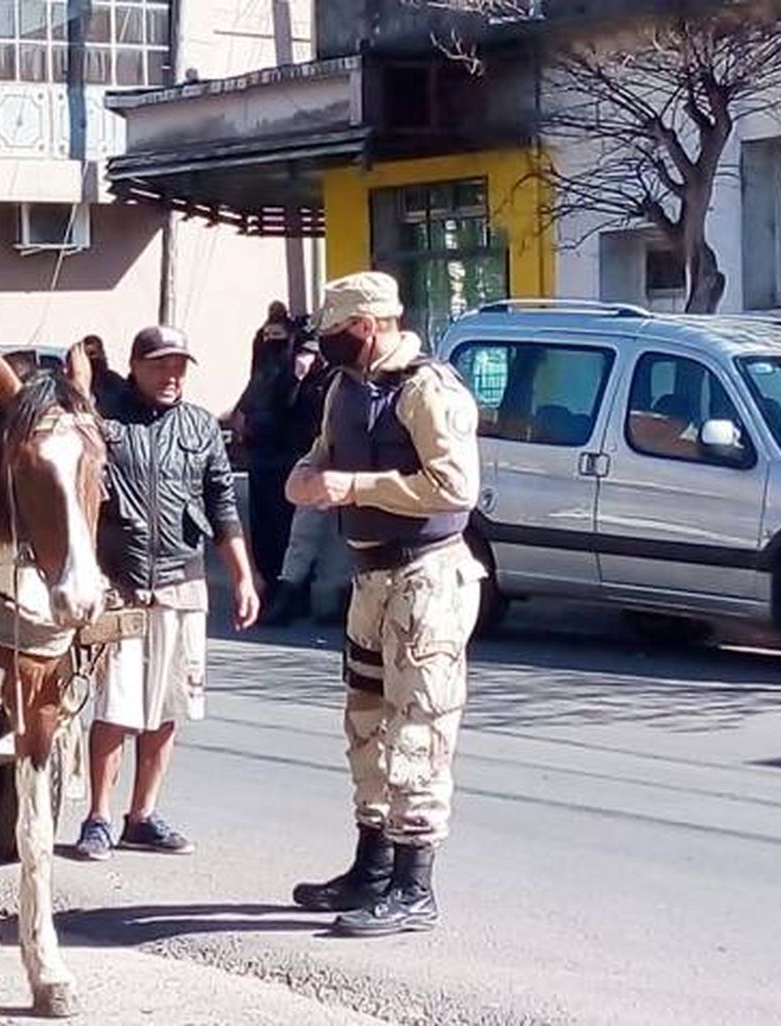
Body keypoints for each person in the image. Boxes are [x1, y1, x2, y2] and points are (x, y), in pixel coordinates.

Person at [285, 271, 485, 936]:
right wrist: (307, 478)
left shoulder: (428, 389)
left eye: (338, 333)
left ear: (368, 327)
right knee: (366, 723)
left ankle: (412, 887)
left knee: (418, 727)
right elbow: (318, 457)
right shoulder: (345, 388)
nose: (329, 344)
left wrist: (356, 485)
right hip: (369, 578)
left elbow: (455, 486)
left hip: (428, 578)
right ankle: (370, 867)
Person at [73, 326, 260, 860]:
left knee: (169, 705)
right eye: (160, 364)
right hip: (121, 587)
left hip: (183, 584)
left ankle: (143, 814)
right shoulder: (105, 425)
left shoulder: (200, 427)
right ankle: (98, 817)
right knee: (118, 706)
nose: (172, 375)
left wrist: (244, 577)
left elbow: (223, 504)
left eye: (179, 365)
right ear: (135, 366)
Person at [260, 329, 349, 626]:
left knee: (338, 539)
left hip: (339, 465)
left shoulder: (339, 380)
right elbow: (281, 404)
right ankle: (288, 596)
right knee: (302, 535)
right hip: (311, 462)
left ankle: (337, 599)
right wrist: (295, 376)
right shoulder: (303, 378)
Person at [233, 304, 300, 590]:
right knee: (264, 526)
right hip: (260, 456)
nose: (271, 340)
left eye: (278, 335)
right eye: (267, 334)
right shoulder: (262, 366)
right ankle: (268, 581)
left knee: (283, 525)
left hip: (285, 456)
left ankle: (283, 584)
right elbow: (252, 391)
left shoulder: (292, 365)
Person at [79, 333, 128, 410]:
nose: (92, 359)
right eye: (87, 355)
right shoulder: (76, 383)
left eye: (93, 353)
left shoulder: (114, 381)